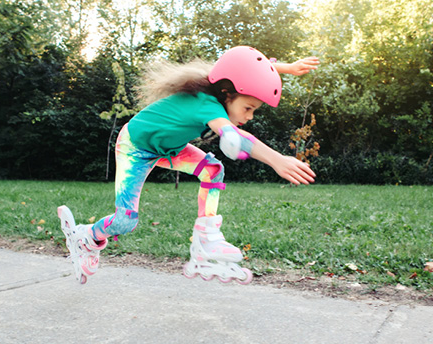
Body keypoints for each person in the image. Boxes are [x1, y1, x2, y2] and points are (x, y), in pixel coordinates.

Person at [58, 46, 319, 285]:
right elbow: (237, 137)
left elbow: (250, 65)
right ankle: (86, 236)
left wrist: (286, 68)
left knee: (213, 169)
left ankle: (206, 237)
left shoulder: (218, 90)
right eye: (248, 108)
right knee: (125, 222)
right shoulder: (206, 104)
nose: (249, 117)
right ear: (227, 94)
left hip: (169, 150)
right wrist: (277, 159)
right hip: (135, 147)